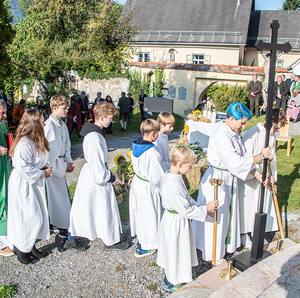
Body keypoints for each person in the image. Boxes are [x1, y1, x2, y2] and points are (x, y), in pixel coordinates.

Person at [192, 102, 271, 261]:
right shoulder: (221, 135)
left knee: (229, 214)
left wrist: (256, 173)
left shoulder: (232, 132)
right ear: (232, 118)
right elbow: (236, 162)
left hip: (229, 178)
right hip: (218, 180)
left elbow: (243, 157)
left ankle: (226, 246)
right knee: (218, 215)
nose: (243, 126)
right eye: (242, 122)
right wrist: (261, 156)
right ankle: (212, 251)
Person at [67, 102, 129, 251]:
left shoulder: (96, 133)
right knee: (95, 208)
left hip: (94, 175)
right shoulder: (94, 137)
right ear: (101, 117)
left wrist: (109, 174)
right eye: (109, 118)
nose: (111, 121)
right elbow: (96, 164)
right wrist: (110, 177)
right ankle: (108, 241)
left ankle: (104, 238)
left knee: (89, 208)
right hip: (95, 178)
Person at [157, 146, 219, 293]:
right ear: (180, 164)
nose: (190, 169)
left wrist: (202, 208)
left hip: (177, 218)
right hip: (175, 222)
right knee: (175, 250)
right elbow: (185, 209)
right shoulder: (172, 184)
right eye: (189, 166)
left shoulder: (174, 177)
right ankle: (170, 281)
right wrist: (205, 209)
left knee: (178, 249)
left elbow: (187, 199)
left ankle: (175, 275)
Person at [7, 110, 52, 264]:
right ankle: (21, 250)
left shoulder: (35, 140)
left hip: (33, 183)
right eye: (41, 121)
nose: (44, 123)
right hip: (23, 184)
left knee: (37, 215)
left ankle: (30, 245)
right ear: (34, 124)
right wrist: (41, 173)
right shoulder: (24, 143)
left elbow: (39, 159)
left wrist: (46, 167)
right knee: (28, 217)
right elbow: (22, 167)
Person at [239, 109, 286, 248]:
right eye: (276, 127)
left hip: (264, 177)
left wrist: (272, 178)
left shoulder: (272, 135)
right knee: (249, 206)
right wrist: (257, 173)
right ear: (270, 122)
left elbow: (272, 160)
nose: (276, 131)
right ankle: (245, 233)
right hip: (252, 177)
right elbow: (245, 160)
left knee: (261, 205)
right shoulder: (252, 133)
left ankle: (257, 233)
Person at [129, 119, 165, 258]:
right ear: (153, 134)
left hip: (138, 183)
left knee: (141, 214)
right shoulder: (151, 152)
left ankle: (142, 239)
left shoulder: (135, 147)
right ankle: (149, 244)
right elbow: (157, 177)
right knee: (150, 215)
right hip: (148, 187)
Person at [44, 94, 75, 251]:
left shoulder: (61, 124)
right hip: (53, 167)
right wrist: (62, 166)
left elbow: (66, 143)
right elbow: (50, 152)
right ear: (54, 108)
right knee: (58, 198)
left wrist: (68, 160)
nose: (67, 110)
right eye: (64, 108)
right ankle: (60, 225)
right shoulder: (49, 125)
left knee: (63, 197)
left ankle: (63, 223)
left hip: (61, 162)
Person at [0, 101, 13, 257]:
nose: (5, 115)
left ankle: (6, 235)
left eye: (5, 112)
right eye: (2, 113)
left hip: (4, 167)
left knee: (6, 198)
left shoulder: (3, 124)